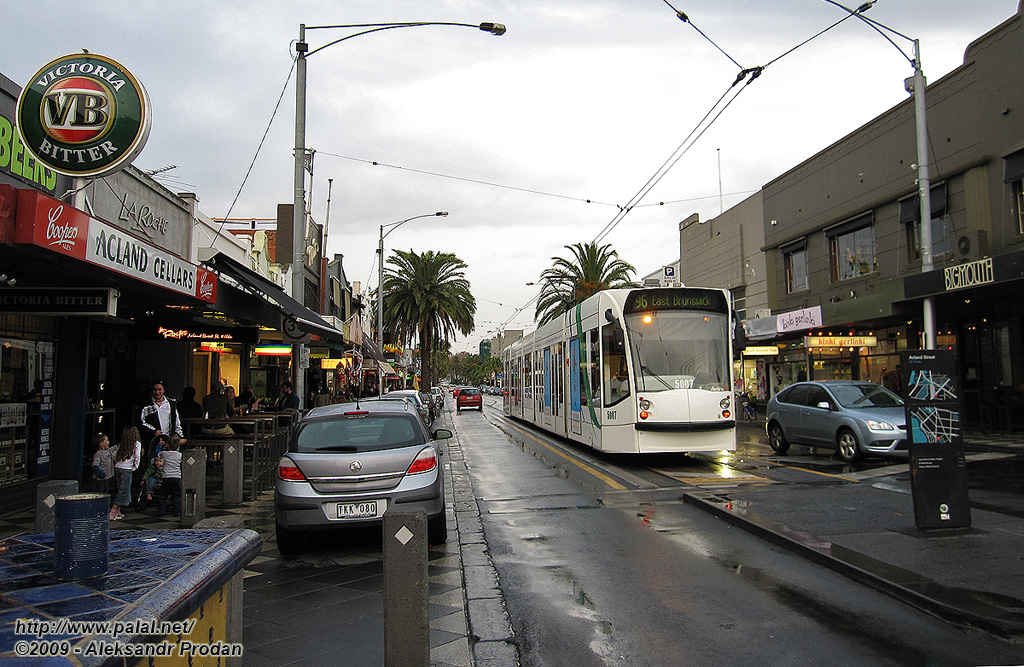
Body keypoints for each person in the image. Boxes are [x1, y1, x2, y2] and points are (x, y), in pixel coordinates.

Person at [110, 426, 142, 520]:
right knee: (123, 491)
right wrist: (135, 467)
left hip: (118, 468)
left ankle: (118, 511)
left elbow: (113, 453)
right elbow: (137, 456)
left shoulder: (122, 444)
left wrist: (116, 462)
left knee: (121, 489)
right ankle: (112, 511)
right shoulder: (137, 444)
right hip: (127, 469)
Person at [157, 435, 183, 517]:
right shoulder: (179, 455)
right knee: (176, 495)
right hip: (176, 477)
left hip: (166, 477)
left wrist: (161, 445)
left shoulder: (164, 454)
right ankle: (177, 511)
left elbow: (158, 454)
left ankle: (162, 510)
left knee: (163, 495)